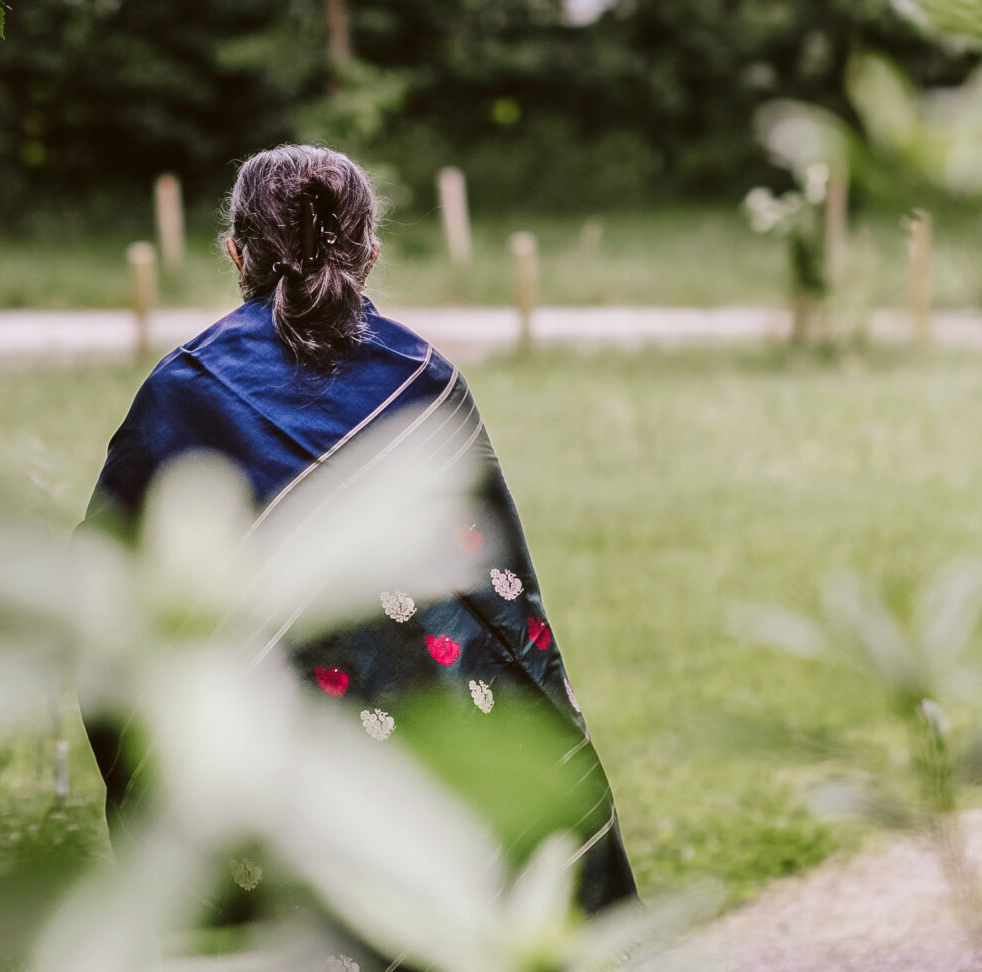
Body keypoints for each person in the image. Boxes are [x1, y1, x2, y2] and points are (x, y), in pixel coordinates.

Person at [83, 144, 637, 915]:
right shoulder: (425, 380)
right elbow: (498, 604)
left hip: (261, 769)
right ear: (370, 252)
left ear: (235, 252)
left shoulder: (183, 392)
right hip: (437, 761)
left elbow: (105, 594)